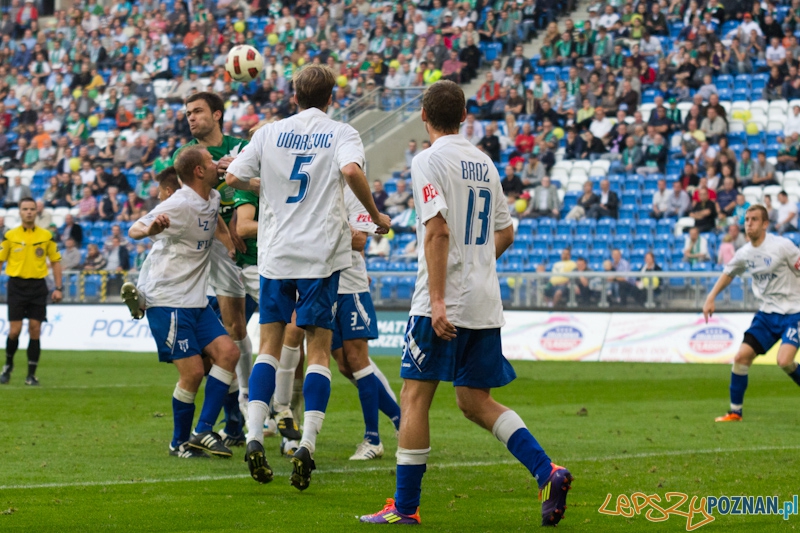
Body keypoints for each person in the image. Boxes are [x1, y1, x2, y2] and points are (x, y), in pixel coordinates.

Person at [359, 80, 572, 527]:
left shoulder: (428, 160)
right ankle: (546, 471)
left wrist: (438, 300)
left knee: (414, 397)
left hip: (445, 300)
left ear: (423, 115)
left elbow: (436, 231)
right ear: (464, 114)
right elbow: (507, 231)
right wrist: (476, 264)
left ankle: (404, 507)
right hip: (482, 300)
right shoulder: (485, 164)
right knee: (474, 400)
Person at [224, 65, 391, 489]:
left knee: (269, 347)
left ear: (293, 94)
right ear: (331, 97)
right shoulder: (341, 132)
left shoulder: (268, 132)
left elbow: (231, 176)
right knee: (318, 351)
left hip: (277, 254)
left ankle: (253, 434)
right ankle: (308, 444)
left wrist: (272, 182)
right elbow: (351, 172)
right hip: (321, 255)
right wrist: (375, 216)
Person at [126, 149, 241, 459]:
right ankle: (179, 443)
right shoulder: (178, 203)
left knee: (229, 353)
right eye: (210, 161)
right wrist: (150, 230)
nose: (216, 163)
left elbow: (214, 220)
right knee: (191, 373)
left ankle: (202, 430)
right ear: (199, 172)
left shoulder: (213, 197)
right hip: (167, 299)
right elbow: (134, 228)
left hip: (195, 299)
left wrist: (231, 244)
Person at [170, 92, 254, 430]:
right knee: (234, 328)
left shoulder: (243, 146)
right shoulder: (186, 155)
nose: (191, 118)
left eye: (198, 111)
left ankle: (281, 406)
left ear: (217, 114)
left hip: (258, 245)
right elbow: (197, 197)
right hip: (220, 254)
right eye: (188, 113)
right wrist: (224, 233)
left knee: (288, 327)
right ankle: (242, 407)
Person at [703, 205, 800, 422]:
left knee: (784, 361)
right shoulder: (745, 253)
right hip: (766, 315)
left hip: (794, 313)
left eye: (754, 219)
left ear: (765, 224)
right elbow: (728, 273)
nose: (749, 223)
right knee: (741, 357)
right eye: (747, 219)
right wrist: (711, 298)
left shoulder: (782, 246)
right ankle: (735, 412)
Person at [0, 198, 63, 386]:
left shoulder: (46, 236)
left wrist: (58, 288)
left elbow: (55, 261)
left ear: (36, 212)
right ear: (19, 212)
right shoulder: (10, 235)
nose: (28, 212)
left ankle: (31, 375)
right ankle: (8, 365)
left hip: (37, 287)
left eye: (32, 209)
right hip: (16, 286)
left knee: (35, 329)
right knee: (14, 330)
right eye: (25, 209)